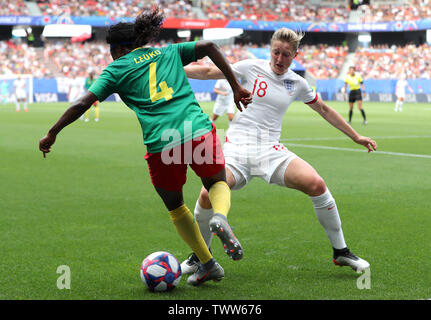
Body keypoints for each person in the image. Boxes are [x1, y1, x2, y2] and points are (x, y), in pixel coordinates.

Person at [39, 7, 251, 287]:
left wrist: (53, 132)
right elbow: (210, 46)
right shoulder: (169, 52)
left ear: (119, 49)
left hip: (161, 141)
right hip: (196, 128)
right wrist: (235, 86)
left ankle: (209, 263)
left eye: (112, 50)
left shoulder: (115, 69)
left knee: (176, 207)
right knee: (215, 182)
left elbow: (81, 103)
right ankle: (220, 217)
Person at [181, 28, 377, 275]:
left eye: (286, 54)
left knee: (316, 184)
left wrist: (356, 136)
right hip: (237, 149)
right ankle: (200, 257)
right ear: (270, 50)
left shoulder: (297, 83)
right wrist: (173, 67)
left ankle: (341, 252)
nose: (280, 59)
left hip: (270, 151)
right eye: (276, 52)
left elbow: (324, 110)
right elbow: (209, 71)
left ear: (295, 55)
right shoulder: (250, 66)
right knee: (207, 195)